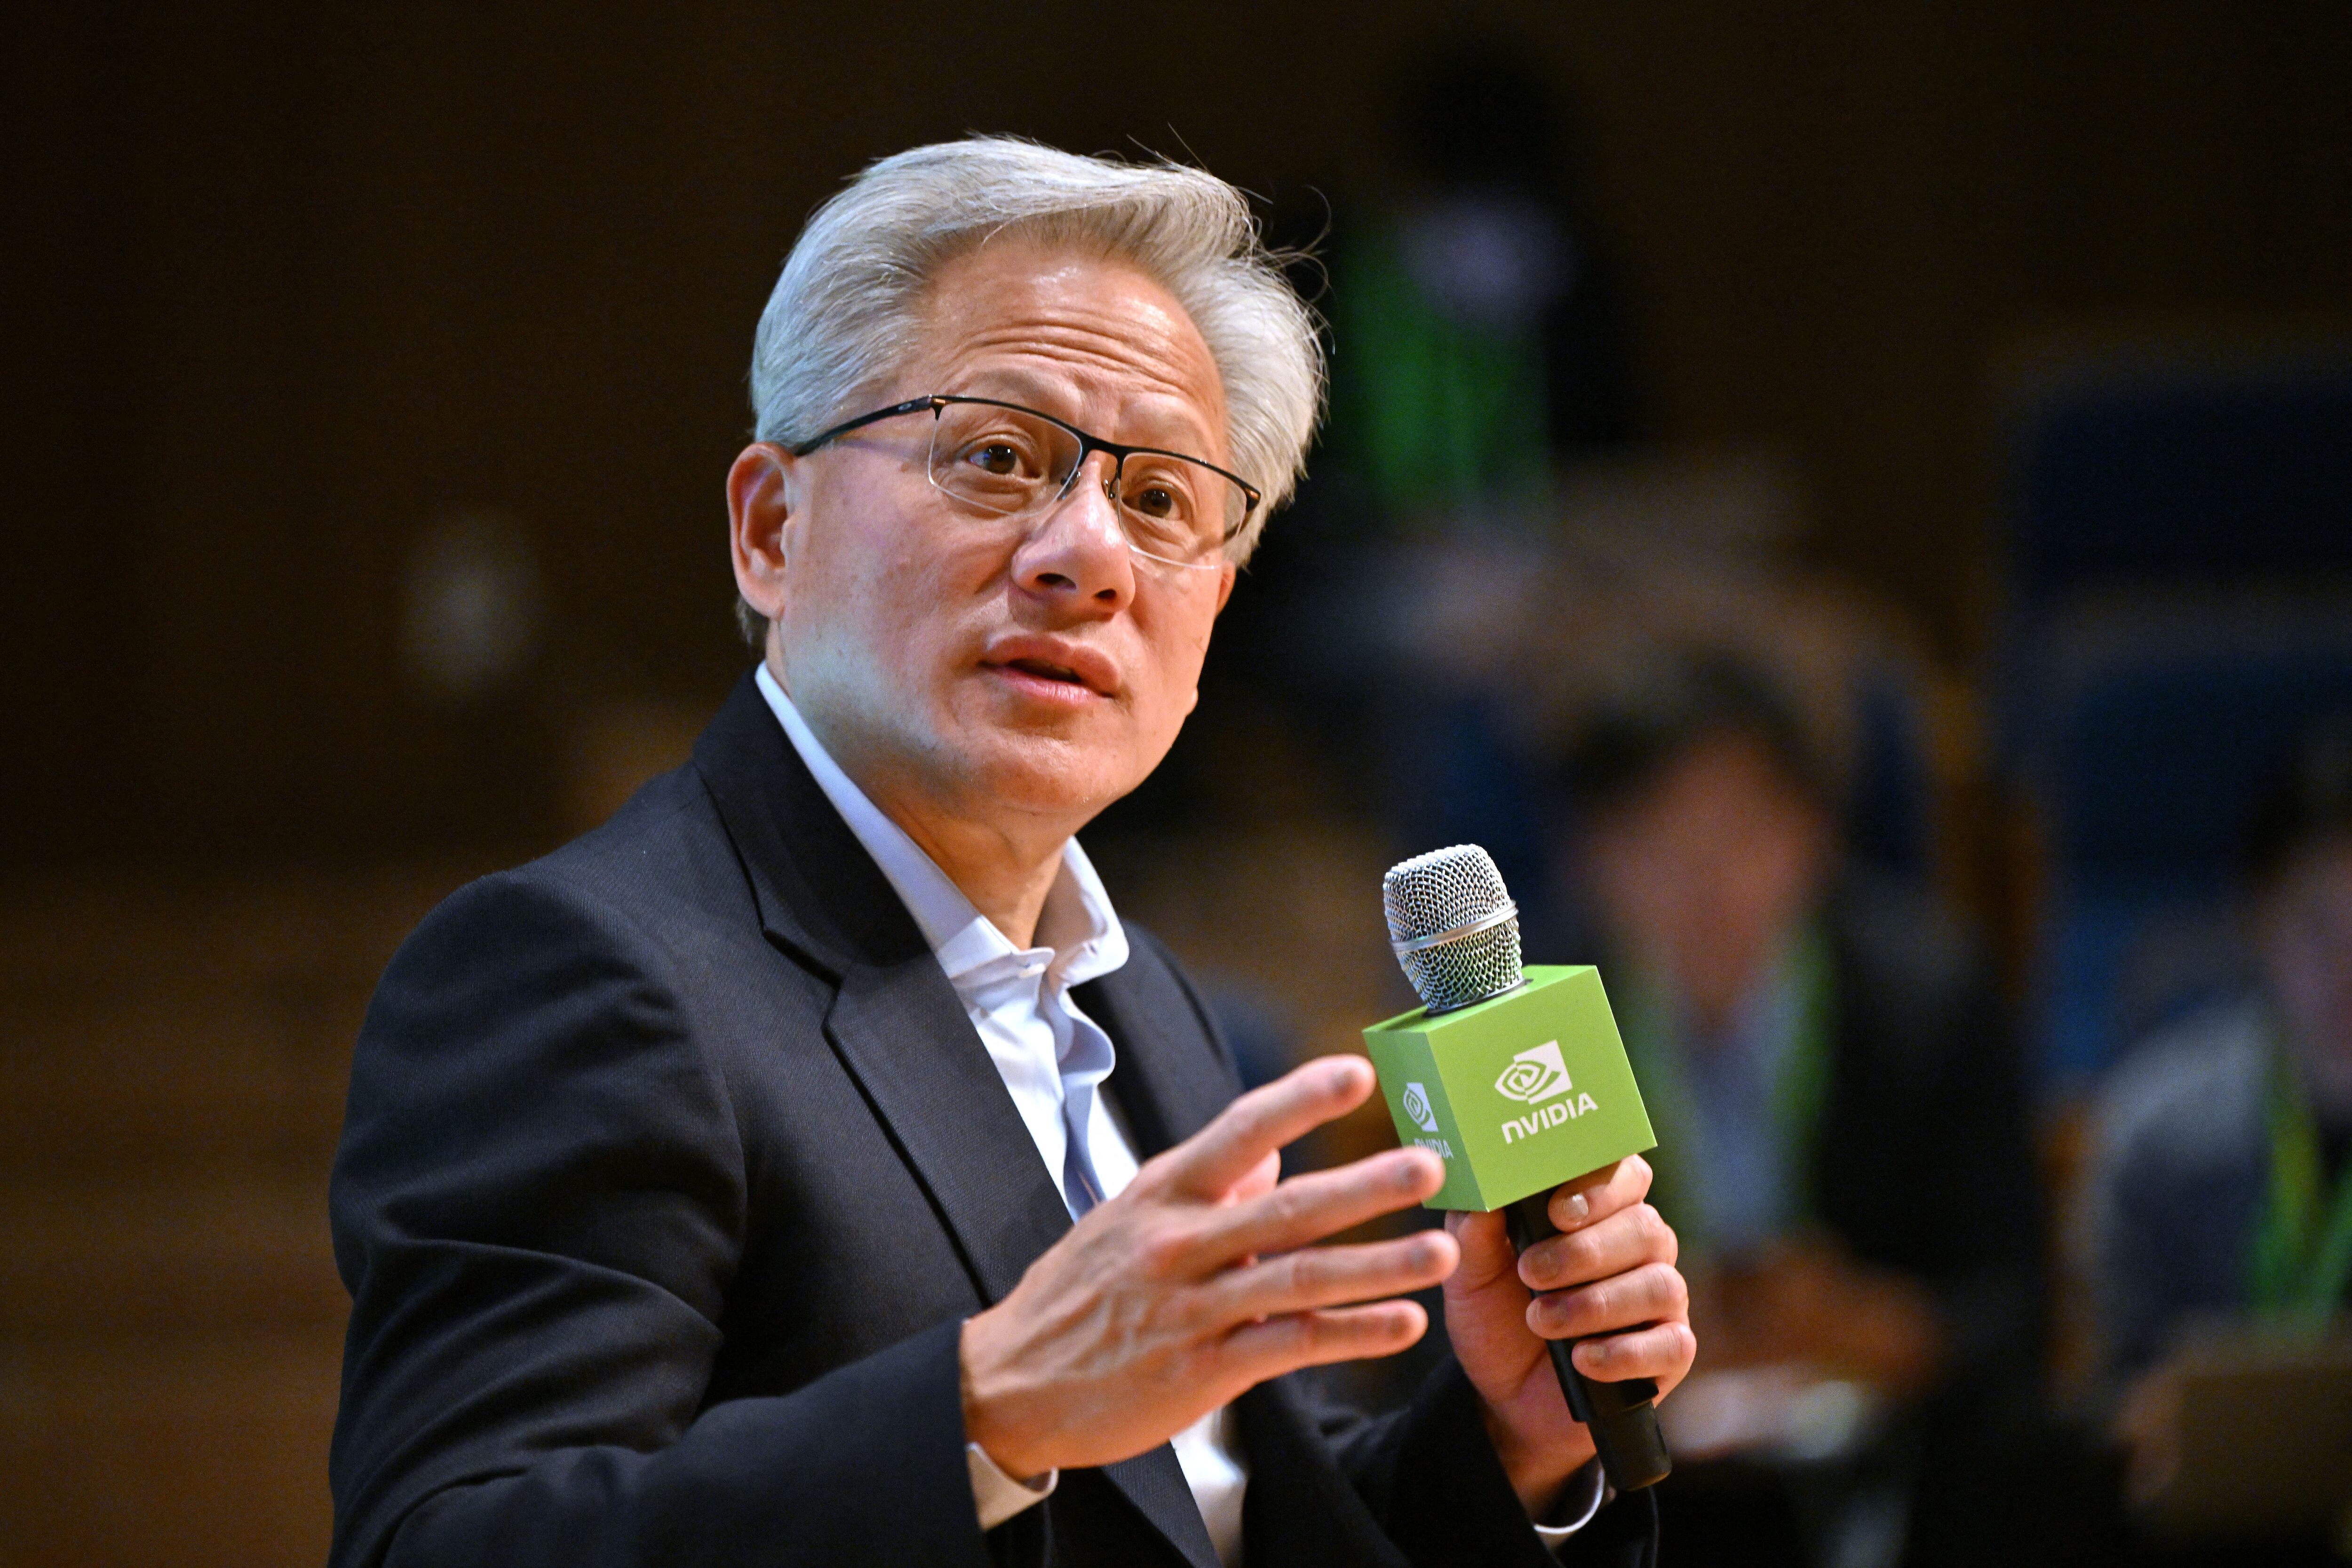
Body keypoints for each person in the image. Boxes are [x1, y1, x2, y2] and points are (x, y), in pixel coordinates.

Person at [326, 139, 1694, 1568]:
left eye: (1165, 499)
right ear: (769, 528)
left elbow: (1197, 1521)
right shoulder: (582, 975)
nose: (1088, 552)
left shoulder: (1163, 1006)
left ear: (1215, 611)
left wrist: (1512, 1446)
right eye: (996, 455)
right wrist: (989, 1410)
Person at [1549, 650, 2042, 1563]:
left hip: (1888, 1473)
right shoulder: (1532, 1036)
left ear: (1812, 835)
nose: (1706, 884)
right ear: (1592, 861)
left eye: (1739, 833)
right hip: (1631, 1488)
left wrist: (1872, 1325)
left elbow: (2015, 1310)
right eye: (1660, 840)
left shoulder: (1927, 996)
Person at [2086, 715, 2352, 1392]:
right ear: (2257, 921)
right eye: (2316, 926)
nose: (2346, 973)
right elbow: (2125, 1396)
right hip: (2220, 1499)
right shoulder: (2157, 1139)